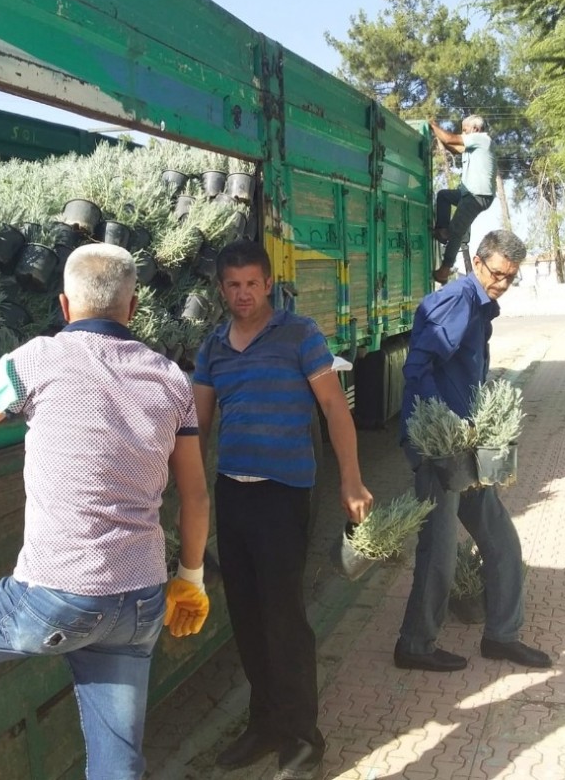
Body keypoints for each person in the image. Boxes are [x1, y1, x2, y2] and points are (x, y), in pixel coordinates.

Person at [0, 243, 210, 780]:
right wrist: (190, 578)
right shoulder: (172, 379)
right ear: (131, 308)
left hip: (56, 600)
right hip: (141, 604)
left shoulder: (37, 360)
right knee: (117, 764)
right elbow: (195, 496)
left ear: (63, 304)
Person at [193, 241, 373, 780]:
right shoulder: (214, 348)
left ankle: (303, 737)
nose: (243, 293)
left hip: (285, 493)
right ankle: (265, 723)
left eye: (252, 283)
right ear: (221, 289)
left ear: (268, 284)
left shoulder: (300, 334)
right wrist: (188, 494)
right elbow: (198, 428)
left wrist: (351, 479)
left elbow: (334, 410)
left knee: (283, 617)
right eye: (233, 285)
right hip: (234, 493)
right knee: (246, 615)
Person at [394, 229, 551, 672]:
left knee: (500, 538)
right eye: (497, 274)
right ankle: (415, 645)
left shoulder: (478, 306)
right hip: (439, 447)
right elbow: (418, 367)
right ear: (478, 262)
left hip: (466, 446)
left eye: (510, 278)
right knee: (439, 548)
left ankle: (502, 636)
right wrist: (440, 428)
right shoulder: (459, 300)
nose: (501, 284)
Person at [430, 114, 496, 284]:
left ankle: (444, 270)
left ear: (475, 129)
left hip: (477, 195)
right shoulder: (473, 145)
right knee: (443, 196)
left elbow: (450, 138)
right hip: (468, 193)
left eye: (465, 129)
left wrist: (432, 125)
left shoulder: (481, 139)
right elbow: (452, 147)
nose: (463, 132)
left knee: (457, 230)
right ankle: (442, 230)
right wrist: (438, 135)